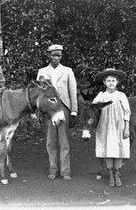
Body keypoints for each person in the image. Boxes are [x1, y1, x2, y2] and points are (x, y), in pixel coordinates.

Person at [36, 44, 78, 180]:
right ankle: (53, 169)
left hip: (63, 108)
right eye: (53, 55)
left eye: (59, 55)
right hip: (49, 109)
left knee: (64, 140)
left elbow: (72, 91)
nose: (56, 58)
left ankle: (66, 171)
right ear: (49, 56)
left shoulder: (67, 71)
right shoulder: (42, 71)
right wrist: (39, 110)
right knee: (50, 140)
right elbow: (39, 93)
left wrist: (74, 111)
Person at [93, 68, 131, 187]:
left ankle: (117, 172)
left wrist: (126, 127)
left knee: (119, 148)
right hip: (105, 125)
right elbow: (93, 108)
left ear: (117, 82)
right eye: (108, 81)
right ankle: (110, 172)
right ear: (104, 83)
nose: (111, 83)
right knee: (108, 148)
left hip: (119, 126)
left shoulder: (121, 95)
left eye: (113, 80)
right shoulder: (101, 95)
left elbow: (127, 112)